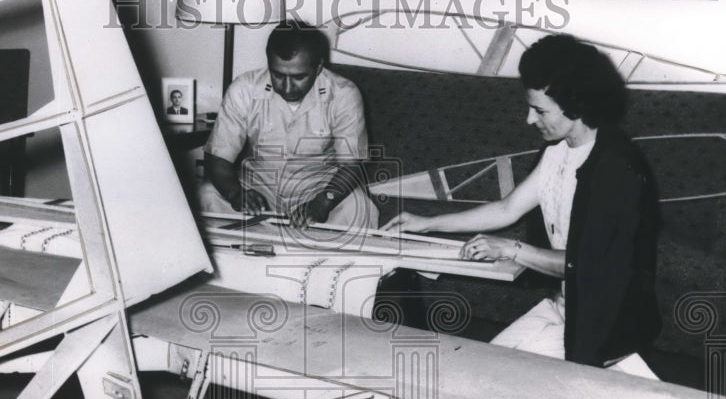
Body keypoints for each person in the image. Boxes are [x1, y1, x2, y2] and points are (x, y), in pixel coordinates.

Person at [383, 34, 661, 372]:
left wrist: (510, 249)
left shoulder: (615, 167)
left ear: (577, 105)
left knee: (495, 382)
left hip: (605, 321)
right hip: (566, 306)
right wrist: (427, 222)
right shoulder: (559, 150)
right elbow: (507, 209)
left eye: (540, 110)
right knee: (481, 369)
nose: (529, 120)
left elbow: (584, 264)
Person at [200, 20, 378, 230]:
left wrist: (322, 203)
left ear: (318, 67)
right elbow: (218, 156)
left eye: (298, 77)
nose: (286, 87)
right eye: (277, 75)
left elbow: (351, 166)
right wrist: (236, 194)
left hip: (319, 192)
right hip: (258, 191)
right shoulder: (244, 88)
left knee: (360, 208)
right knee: (207, 195)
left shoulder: (344, 94)